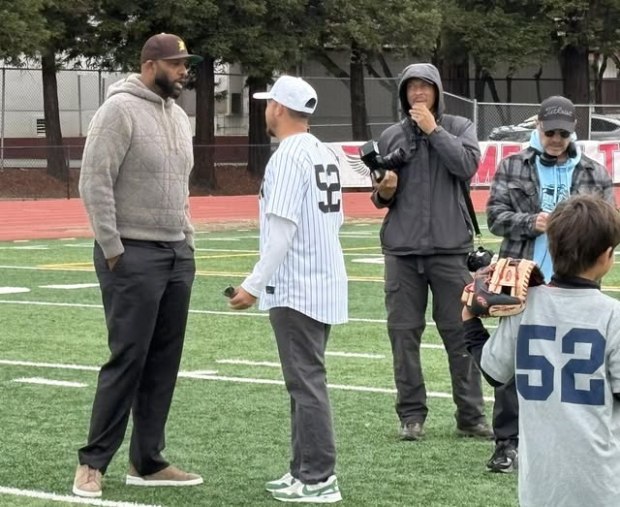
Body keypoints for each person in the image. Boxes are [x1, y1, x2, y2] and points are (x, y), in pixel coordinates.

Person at [73, 33, 204, 498]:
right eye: (177, 64)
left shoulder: (177, 116)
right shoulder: (117, 111)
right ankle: (92, 463)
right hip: (132, 252)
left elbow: (179, 187)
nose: (184, 71)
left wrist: (186, 240)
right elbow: (94, 181)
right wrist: (112, 247)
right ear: (151, 66)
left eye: (185, 63)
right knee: (128, 359)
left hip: (175, 254)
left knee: (164, 362)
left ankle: (147, 460)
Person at [228, 75, 347, 503]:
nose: (266, 110)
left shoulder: (286, 158)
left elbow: (281, 230)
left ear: (278, 107)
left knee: (306, 382)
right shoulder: (322, 151)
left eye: (268, 103)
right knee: (304, 381)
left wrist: (253, 284)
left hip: (297, 284)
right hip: (322, 278)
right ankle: (304, 471)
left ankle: (318, 476)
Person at [485, 95, 614, 473]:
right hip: (522, 275)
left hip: (578, 280)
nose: (557, 138)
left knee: (578, 362)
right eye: (551, 131)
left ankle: (575, 441)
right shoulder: (512, 164)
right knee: (513, 360)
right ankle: (507, 442)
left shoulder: (594, 171)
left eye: (564, 133)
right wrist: (532, 222)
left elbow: (608, 222)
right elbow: (493, 217)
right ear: (538, 126)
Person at [464, 194, 620, 506]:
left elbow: (493, 372)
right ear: (607, 256)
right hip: (601, 482)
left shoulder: (525, 306)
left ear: (550, 247)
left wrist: (469, 322)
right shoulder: (613, 316)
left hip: (540, 484)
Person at [371, 62, 492, 441]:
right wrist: (385, 190)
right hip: (402, 251)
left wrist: (433, 130)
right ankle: (411, 416)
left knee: (461, 334)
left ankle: (471, 416)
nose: (418, 93)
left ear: (438, 91)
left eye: (426, 86)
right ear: (403, 93)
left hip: (450, 247)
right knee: (403, 335)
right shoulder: (391, 136)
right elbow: (380, 197)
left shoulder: (459, 128)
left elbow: (467, 165)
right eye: (412, 87)